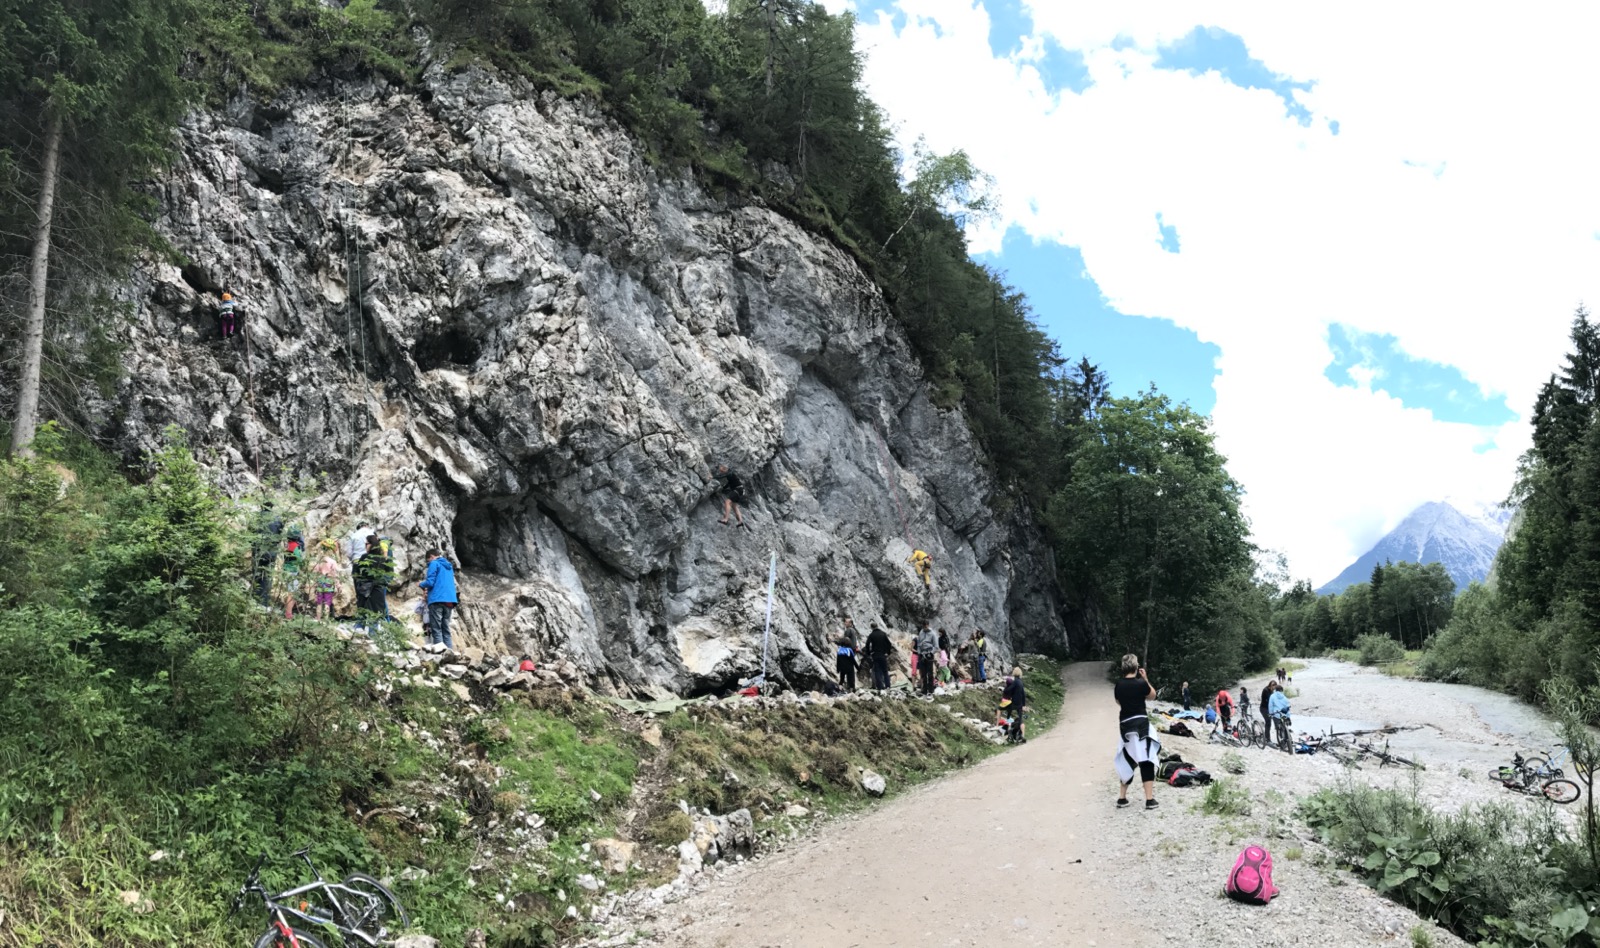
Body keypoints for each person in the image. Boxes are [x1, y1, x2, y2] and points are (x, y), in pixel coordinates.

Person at [1113, 654, 1159, 810]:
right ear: (1135, 666)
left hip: (1125, 725)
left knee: (1128, 759)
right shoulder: (1140, 684)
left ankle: (1122, 798)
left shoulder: (1118, 685)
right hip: (1140, 724)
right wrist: (1145, 679)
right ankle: (1149, 799)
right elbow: (1153, 696)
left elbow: (1118, 701)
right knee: (1146, 759)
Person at [419, 548, 459, 650]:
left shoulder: (434, 563)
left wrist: (420, 584)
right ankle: (450, 652)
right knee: (445, 628)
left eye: (428, 561)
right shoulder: (448, 566)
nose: (429, 563)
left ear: (431, 557)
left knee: (436, 628)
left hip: (437, 599)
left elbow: (430, 582)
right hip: (449, 600)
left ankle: (440, 655)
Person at [353, 534, 394, 629]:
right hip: (378, 590)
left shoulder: (365, 557)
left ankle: (358, 635)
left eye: (366, 544)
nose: (365, 546)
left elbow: (357, 573)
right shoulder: (384, 559)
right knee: (375, 617)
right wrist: (381, 583)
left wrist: (361, 582)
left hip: (365, 589)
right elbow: (390, 574)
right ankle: (374, 639)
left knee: (362, 614)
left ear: (371, 544)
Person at [251, 501, 283, 608]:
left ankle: (254, 601)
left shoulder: (257, 518)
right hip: (271, 553)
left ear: (262, 506)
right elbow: (279, 536)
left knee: (256, 575)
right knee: (267, 577)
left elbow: (250, 534)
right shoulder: (278, 518)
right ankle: (263, 604)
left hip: (258, 551)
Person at [311, 538, 341, 621]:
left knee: (319, 603)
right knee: (327, 602)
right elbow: (336, 575)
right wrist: (338, 586)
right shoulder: (332, 562)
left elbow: (315, 573)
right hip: (329, 583)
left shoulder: (319, 561)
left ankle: (318, 619)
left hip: (320, 582)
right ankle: (326, 620)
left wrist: (313, 585)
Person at [281, 527, 306, 619]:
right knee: (292, 593)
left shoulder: (287, 545)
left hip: (286, 569)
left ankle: (287, 611)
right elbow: (300, 559)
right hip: (293, 571)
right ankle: (288, 614)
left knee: (289, 592)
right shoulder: (296, 546)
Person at [1000, 667, 1028, 742]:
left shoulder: (1015, 682)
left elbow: (1009, 690)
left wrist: (1006, 689)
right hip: (1020, 704)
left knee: (1008, 717)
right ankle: (1022, 735)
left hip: (1014, 703)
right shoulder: (1021, 682)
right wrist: (1024, 705)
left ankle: (1008, 735)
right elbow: (1023, 694)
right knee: (1020, 719)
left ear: (1014, 673)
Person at [833, 617, 859, 692]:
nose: (845, 623)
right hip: (852, 650)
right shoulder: (853, 630)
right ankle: (851, 686)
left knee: (846, 669)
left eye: (847, 622)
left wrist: (836, 641)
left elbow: (845, 640)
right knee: (850, 669)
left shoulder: (848, 630)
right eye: (845, 622)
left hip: (848, 650)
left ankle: (848, 686)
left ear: (850, 623)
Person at [865, 623, 893, 690]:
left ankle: (880, 687)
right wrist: (887, 652)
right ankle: (888, 686)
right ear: (877, 626)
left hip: (875, 655)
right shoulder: (883, 634)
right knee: (885, 671)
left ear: (871, 627)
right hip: (883, 654)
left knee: (877, 671)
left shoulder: (871, 635)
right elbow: (889, 644)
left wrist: (868, 653)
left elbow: (867, 644)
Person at [914, 622, 938, 694]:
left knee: (930, 673)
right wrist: (919, 652)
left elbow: (936, 646)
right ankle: (924, 689)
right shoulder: (921, 632)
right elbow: (918, 644)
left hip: (929, 653)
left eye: (926, 626)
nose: (925, 627)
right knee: (923, 673)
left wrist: (931, 653)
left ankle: (931, 689)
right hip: (922, 654)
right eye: (923, 626)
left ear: (928, 625)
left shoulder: (933, 634)